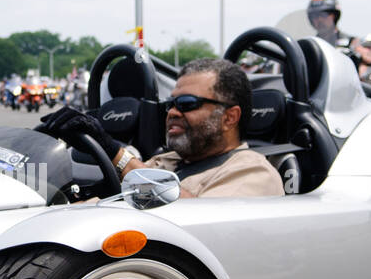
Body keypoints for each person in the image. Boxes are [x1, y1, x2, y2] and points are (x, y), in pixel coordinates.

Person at [37, 58, 283, 199]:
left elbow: (198, 220)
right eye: (171, 103)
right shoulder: (166, 161)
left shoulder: (253, 171)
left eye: (187, 104)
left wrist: (114, 151)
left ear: (230, 117)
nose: (173, 112)